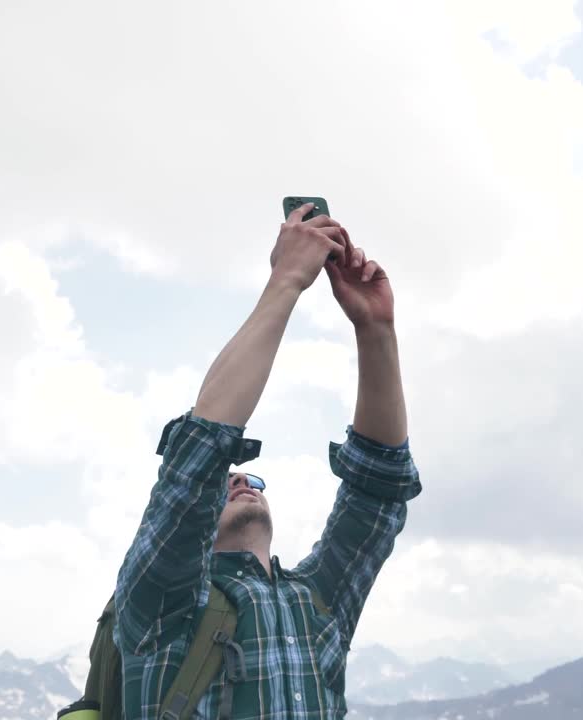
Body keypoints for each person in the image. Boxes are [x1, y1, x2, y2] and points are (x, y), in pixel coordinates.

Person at [113, 203, 421, 719]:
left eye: (247, 477)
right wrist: (286, 283)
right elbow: (198, 460)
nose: (236, 479)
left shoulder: (317, 602)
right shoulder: (161, 601)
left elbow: (378, 492)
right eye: (225, 480)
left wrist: (376, 328)